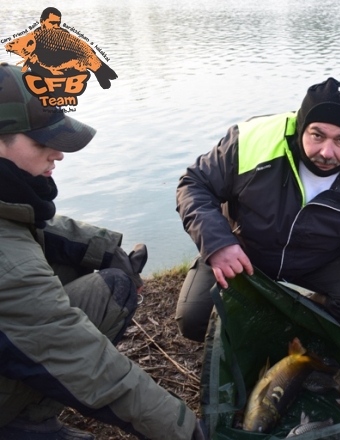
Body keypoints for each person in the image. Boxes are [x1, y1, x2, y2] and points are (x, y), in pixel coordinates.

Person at [176, 77, 340, 400]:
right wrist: (218, 243)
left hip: (317, 257)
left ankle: (297, 327)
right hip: (243, 250)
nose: (327, 151)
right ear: (301, 125)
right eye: (317, 135)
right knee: (193, 320)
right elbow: (193, 185)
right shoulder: (253, 140)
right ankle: (283, 325)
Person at [0, 63, 206, 440]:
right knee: (104, 300)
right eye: (41, 142)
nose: (57, 155)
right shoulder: (9, 266)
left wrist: (106, 248)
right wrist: (187, 430)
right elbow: (83, 359)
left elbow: (31, 223)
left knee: (82, 264)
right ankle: (20, 424)